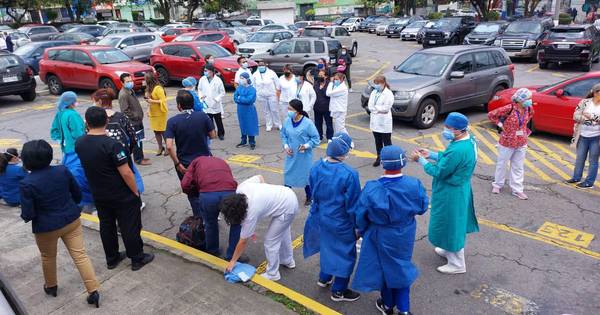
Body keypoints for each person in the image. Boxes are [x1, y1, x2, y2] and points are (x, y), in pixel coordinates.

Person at [19, 140, 100, 308]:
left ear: (27, 160)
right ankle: (93, 291)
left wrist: (28, 216)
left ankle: (51, 286)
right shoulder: (62, 170)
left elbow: (28, 213)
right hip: (71, 220)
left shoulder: (27, 183)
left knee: (48, 257)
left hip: (46, 227)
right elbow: (77, 194)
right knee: (80, 255)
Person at [352, 145, 428, 315]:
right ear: (402, 163)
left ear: (383, 164)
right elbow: (422, 207)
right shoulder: (414, 184)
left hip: (380, 234)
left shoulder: (372, 188)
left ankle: (388, 305)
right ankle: (404, 309)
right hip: (405, 233)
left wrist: (360, 231)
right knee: (400, 266)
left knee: (385, 268)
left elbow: (361, 215)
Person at [76, 107, 154, 271]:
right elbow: (126, 172)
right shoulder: (112, 145)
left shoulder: (80, 143)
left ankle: (112, 258)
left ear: (87, 123)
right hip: (120, 194)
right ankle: (137, 258)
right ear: (106, 121)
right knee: (129, 225)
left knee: (107, 225)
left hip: (99, 192)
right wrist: (134, 191)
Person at [411, 112, 479, 274]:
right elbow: (449, 159)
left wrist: (421, 160)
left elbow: (439, 171)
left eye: (449, 128)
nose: (445, 130)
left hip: (452, 193)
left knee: (451, 224)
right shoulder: (468, 140)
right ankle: (448, 250)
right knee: (450, 223)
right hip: (458, 188)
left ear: (459, 130)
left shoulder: (458, 150)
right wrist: (432, 154)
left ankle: (457, 264)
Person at [303, 132, 361, 301]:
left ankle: (324, 278)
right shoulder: (349, 174)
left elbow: (312, 189)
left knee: (327, 248)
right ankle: (339, 290)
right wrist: (357, 226)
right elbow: (353, 204)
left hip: (321, 217)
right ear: (345, 151)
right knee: (345, 255)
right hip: (340, 222)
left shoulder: (316, 166)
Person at [221, 175, 299, 281]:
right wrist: (266, 197)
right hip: (286, 194)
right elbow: (260, 177)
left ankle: (273, 274)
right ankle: (288, 261)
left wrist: (233, 261)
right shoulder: (241, 188)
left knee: (271, 241)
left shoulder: (250, 212)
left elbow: (242, 242)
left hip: (287, 208)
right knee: (283, 233)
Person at [181, 156, 247, 262]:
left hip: (208, 195)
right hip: (229, 192)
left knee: (210, 223)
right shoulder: (221, 160)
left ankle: (212, 252)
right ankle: (232, 255)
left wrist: (196, 193)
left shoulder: (194, 162)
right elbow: (231, 179)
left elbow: (185, 184)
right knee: (236, 223)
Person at [165, 90, 216, 215]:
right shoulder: (203, 116)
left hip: (185, 164)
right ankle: (210, 213)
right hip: (204, 161)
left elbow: (169, 146)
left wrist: (177, 164)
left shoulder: (172, 122)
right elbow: (213, 135)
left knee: (192, 193)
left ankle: (199, 218)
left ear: (179, 106)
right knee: (207, 188)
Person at [92, 88, 145, 201]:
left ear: (100, 102)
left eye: (95, 101)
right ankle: (136, 199)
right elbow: (133, 138)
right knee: (128, 178)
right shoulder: (121, 117)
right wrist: (126, 151)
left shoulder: (91, 119)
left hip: (103, 160)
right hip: (123, 157)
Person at [488, 88, 534, 199]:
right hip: (507, 141)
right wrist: (500, 125)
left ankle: (517, 189)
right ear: (520, 100)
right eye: (528, 99)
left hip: (521, 141)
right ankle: (498, 185)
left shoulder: (529, 109)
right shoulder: (510, 108)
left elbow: (528, 119)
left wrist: (522, 129)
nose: (530, 101)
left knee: (518, 166)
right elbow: (491, 115)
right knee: (502, 164)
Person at [50, 91, 94, 208]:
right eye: (74, 100)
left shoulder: (60, 113)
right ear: (70, 102)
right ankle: (87, 201)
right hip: (77, 150)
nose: (76, 102)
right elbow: (78, 134)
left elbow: (54, 131)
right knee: (82, 175)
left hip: (67, 149)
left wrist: (61, 140)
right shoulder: (72, 115)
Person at [281, 99, 320, 206]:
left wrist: (306, 145)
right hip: (291, 154)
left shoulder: (308, 123)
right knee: (288, 174)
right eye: (288, 108)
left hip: (304, 156)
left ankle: (309, 196)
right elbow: (284, 135)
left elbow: (316, 139)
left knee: (305, 176)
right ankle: (285, 197)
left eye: (290, 109)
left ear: (297, 111)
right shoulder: (287, 121)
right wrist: (285, 145)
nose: (288, 111)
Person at [565, 83, 600, 189]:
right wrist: (586, 119)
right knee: (580, 158)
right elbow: (575, 115)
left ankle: (589, 182)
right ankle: (576, 177)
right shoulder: (585, 103)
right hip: (583, 136)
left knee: (593, 161)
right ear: (595, 93)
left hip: (596, 137)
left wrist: (591, 117)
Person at [118, 73, 151, 166]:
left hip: (138, 120)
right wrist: (135, 116)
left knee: (140, 139)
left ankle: (141, 156)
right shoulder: (123, 94)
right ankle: (138, 159)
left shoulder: (130, 90)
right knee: (136, 141)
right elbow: (125, 110)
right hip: (133, 122)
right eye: (127, 81)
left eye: (131, 81)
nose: (130, 83)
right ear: (122, 83)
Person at [368, 75, 394, 167]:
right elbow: (370, 105)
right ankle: (379, 157)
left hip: (384, 122)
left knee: (387, 142)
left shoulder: (388, 93)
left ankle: (389, 158)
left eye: (378, 84)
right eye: (375, 84)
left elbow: (386, 108)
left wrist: (376, 108)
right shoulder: (374, 92)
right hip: (375, 121)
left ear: (383, 83)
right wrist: (377, 109)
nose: (376, 86)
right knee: (377, 141)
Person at [198, 64, 226, 140]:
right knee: (209, 121)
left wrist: (216, 99)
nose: (205, 72)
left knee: (218, 120)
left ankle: (221, 134)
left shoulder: (218, 80)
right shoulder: (202, 79)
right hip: (206, 103)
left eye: (206, 71)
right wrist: (201, 97)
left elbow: (222, 92)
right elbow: (199, 89)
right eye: (204, 71)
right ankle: (212, 134)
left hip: (215, 103)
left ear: (212, 71)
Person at [144, 72, 168, 156]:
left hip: (160, 113)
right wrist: (148, 108)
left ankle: (168, 147)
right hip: (153, 113)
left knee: (162, 130)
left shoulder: (158, 88)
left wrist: (152, 101)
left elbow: (163, 100)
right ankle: (160, 147)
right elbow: (149, 101)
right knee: (156, 131)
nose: (144, 81)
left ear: (149, 80)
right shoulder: (148, 89)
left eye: (145, 79)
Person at [253, 60, 281, 131]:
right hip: (261, 95)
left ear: (265, 65)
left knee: (274, 110)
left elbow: (277, 83)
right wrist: (256, 93)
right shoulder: (255, 74)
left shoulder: (271, 73)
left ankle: (278, 124)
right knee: (266, 111)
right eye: (259, 65)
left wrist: (278, 92)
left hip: (271, 95)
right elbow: (253, 85)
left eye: (262, 65)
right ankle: (269, 125)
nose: (261, 67)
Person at [234, 72, 258, 150]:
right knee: (243, 124)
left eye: (242, 78)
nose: (241, 80)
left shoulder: (252, 89)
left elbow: (249, 100)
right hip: (240, 109)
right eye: (240, 78)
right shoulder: (239, 88)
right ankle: (243, 141)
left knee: (250, 125)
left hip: (249, 110)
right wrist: (241, 99)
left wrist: (240, 98)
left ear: (247, 79)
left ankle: (252, 142)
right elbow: (235, 97)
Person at [314, 70, 334, 142]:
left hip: (327, 108)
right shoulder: (316, 84)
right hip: (317, 107)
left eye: (321, 76)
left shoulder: (330, 85)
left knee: (328, 123)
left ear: (326, 76)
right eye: (319, 76)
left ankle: (330, 137)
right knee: (318, 123)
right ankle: (319, 136)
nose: (320, 77)